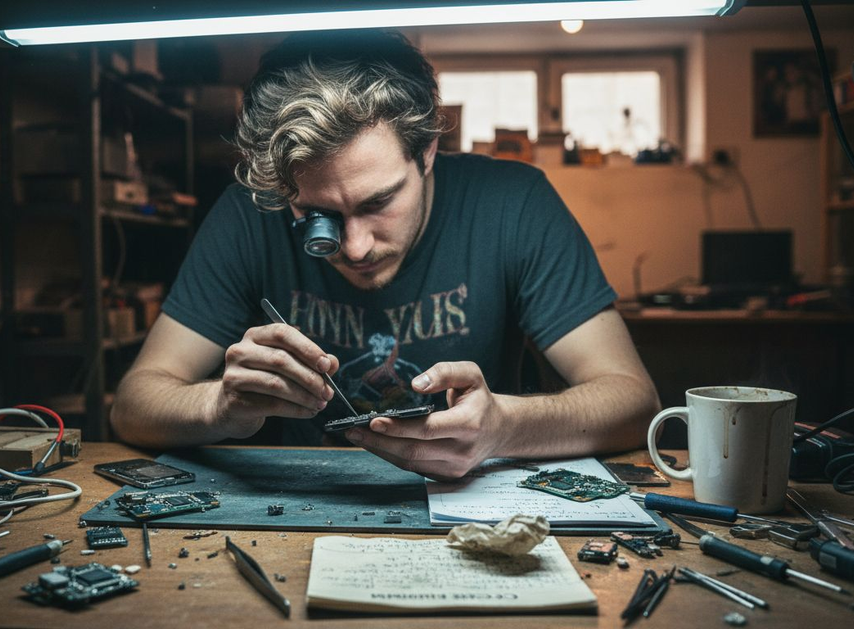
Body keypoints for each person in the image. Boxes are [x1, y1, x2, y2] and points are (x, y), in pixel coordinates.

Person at [110, 30, 660, 480]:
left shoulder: (514, 203)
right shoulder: (248, 214)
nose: (354, 248)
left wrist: (505, 425)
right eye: (316, 214)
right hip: (306, 503)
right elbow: (134, 405)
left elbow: (632, 401)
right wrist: (218, 409)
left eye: (379, 202)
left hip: (468, 504)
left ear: (426, 151)